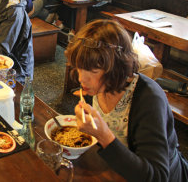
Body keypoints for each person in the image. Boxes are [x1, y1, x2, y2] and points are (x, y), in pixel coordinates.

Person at [65, 19, 188, 182]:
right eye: (79, 68)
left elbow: (158, 176)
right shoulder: (97, 86)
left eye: (92, 71)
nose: (81, 78)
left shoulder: (149, 99)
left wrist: (104, 136)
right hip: (117, 170)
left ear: (116, 68)